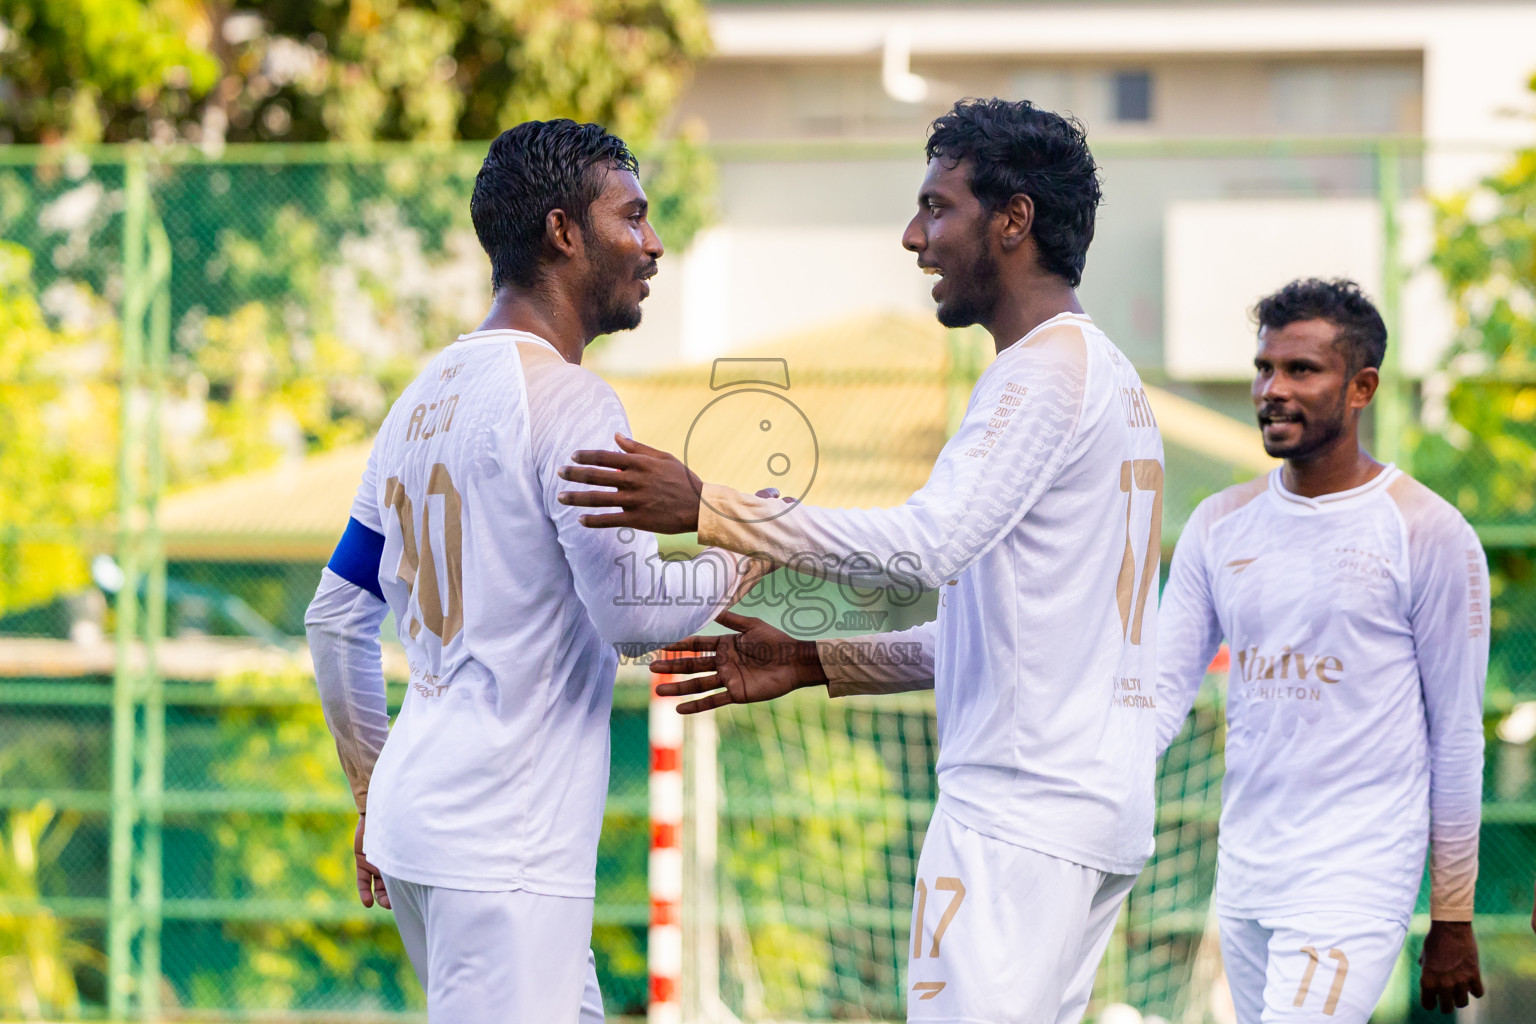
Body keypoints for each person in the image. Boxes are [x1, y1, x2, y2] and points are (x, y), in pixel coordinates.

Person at [557, 98, 1166, 1023]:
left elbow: (928, 546)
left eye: (939, 207)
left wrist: (712, 507)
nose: (915, 236)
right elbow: (996, 634)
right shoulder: (1111, 377)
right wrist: (814, 660)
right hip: (1087, 814)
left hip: (1018, 816)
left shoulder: (1044, 373)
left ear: (1015, 221)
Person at [303, 119, 762, 1023]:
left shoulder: (421, 399)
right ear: (563, 232)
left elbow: (334, 614)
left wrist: (373, 789)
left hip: (427, 829)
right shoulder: (569, 400)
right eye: (632, 216)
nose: (654, 243)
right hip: (501, 847)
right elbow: (633, 612)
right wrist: (741, 548)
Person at [1154, 279, 1487, 1020]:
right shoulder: (1219, 524)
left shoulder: (1428, 531)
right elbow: (1157, 693)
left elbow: (1458, 734)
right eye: (1264, 368)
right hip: (1244, 879)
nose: (1272, 389)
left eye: (1301, 370)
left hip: (1355, 877)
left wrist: (1453, 914)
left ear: (1361, 386)